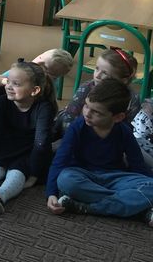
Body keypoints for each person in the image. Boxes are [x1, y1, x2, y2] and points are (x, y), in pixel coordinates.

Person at [46, 79, 153, 228]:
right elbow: (60, 161)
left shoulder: (124, 131)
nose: (87, 113)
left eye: (96, 112)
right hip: (82, 175)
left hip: (115, 177)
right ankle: (137, 209)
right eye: (86, 106)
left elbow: (138, 165)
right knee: (66, 180)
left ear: (118, 117)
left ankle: (88, 207)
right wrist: (51, 193)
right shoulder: (77, 127)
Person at [0, 61, 57, 214]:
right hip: (6, 148)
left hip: (29, 153)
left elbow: (41, 143)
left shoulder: (44, 108)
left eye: (16, 84)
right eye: (8, 81)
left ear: (34, 90)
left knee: (16, 173)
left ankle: (0, 195)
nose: (9, 86)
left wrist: (34, 175)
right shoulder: (2, 101)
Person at [0, 48, 73, 132]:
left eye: (45, 67)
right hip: (5, 108)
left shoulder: (49, 88)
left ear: (53, 77)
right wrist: (11, 82)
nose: (37, 63)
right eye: (40, 57)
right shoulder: (23, 71)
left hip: (22, 119)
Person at [54, 48, 141, 139]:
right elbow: (69, 116)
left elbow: (130, 128)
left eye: (105, 73)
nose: (97, 75)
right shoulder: (86, 88)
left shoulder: (132, 99)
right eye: (96, 68)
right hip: (78, 133)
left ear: (124, 80)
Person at [132, 98, 153, 167]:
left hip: (135, 133)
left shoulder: (140, 113)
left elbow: (133, 122)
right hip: (142, 137)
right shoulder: (148, 117)